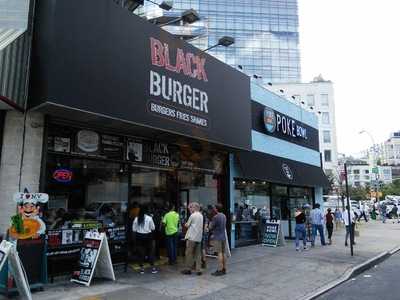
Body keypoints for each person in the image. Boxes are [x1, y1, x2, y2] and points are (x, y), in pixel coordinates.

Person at [132, 205, 157, 274]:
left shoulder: (136, 218)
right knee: (150, 252)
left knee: (141, 253)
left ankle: (142, 269)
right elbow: (153, 228)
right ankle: (153, 268)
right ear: (147, 211)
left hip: (139, 237)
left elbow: (134, 229)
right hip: (148, 237)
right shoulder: (149, 218)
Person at [181, 202, 204, 276]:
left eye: (191, 207)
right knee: (198, 254)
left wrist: (184, 224)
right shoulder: (201, 215)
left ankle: (188, 269)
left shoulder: (193, 215)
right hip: (199, 237)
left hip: (192, 237)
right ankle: (198, 269)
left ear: (195, 208)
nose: (190, 209)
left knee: (189, 253)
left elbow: (187, 225)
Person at [209, 204, 227, 276]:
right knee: (223, 253)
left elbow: (211, 227)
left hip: (217, 237)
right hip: (223, 237)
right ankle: (224, 268)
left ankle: (220, 269)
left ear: (216, 209)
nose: (213, 209)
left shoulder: (216, 217)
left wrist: (210, 224)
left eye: (214, 208)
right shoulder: (224, 216)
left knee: (219, 253)